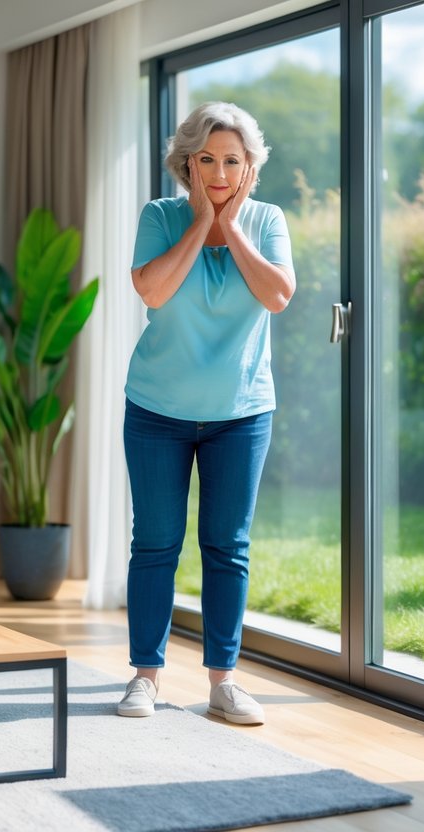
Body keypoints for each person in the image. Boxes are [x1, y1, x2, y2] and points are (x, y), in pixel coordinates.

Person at [118, 101, 296, 725]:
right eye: (208, 160)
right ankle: (146, 676)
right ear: (187, 163)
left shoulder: (269, 219)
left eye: (232, 161)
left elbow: (276, 295)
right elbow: (153, 291)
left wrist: (234, 225)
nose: (220, 172)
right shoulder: (161, 217)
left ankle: (223, 681)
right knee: (156, 543)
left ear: (249, 168)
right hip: (157, 411)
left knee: (227, 546)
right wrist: (200, 221)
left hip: (240, 414)